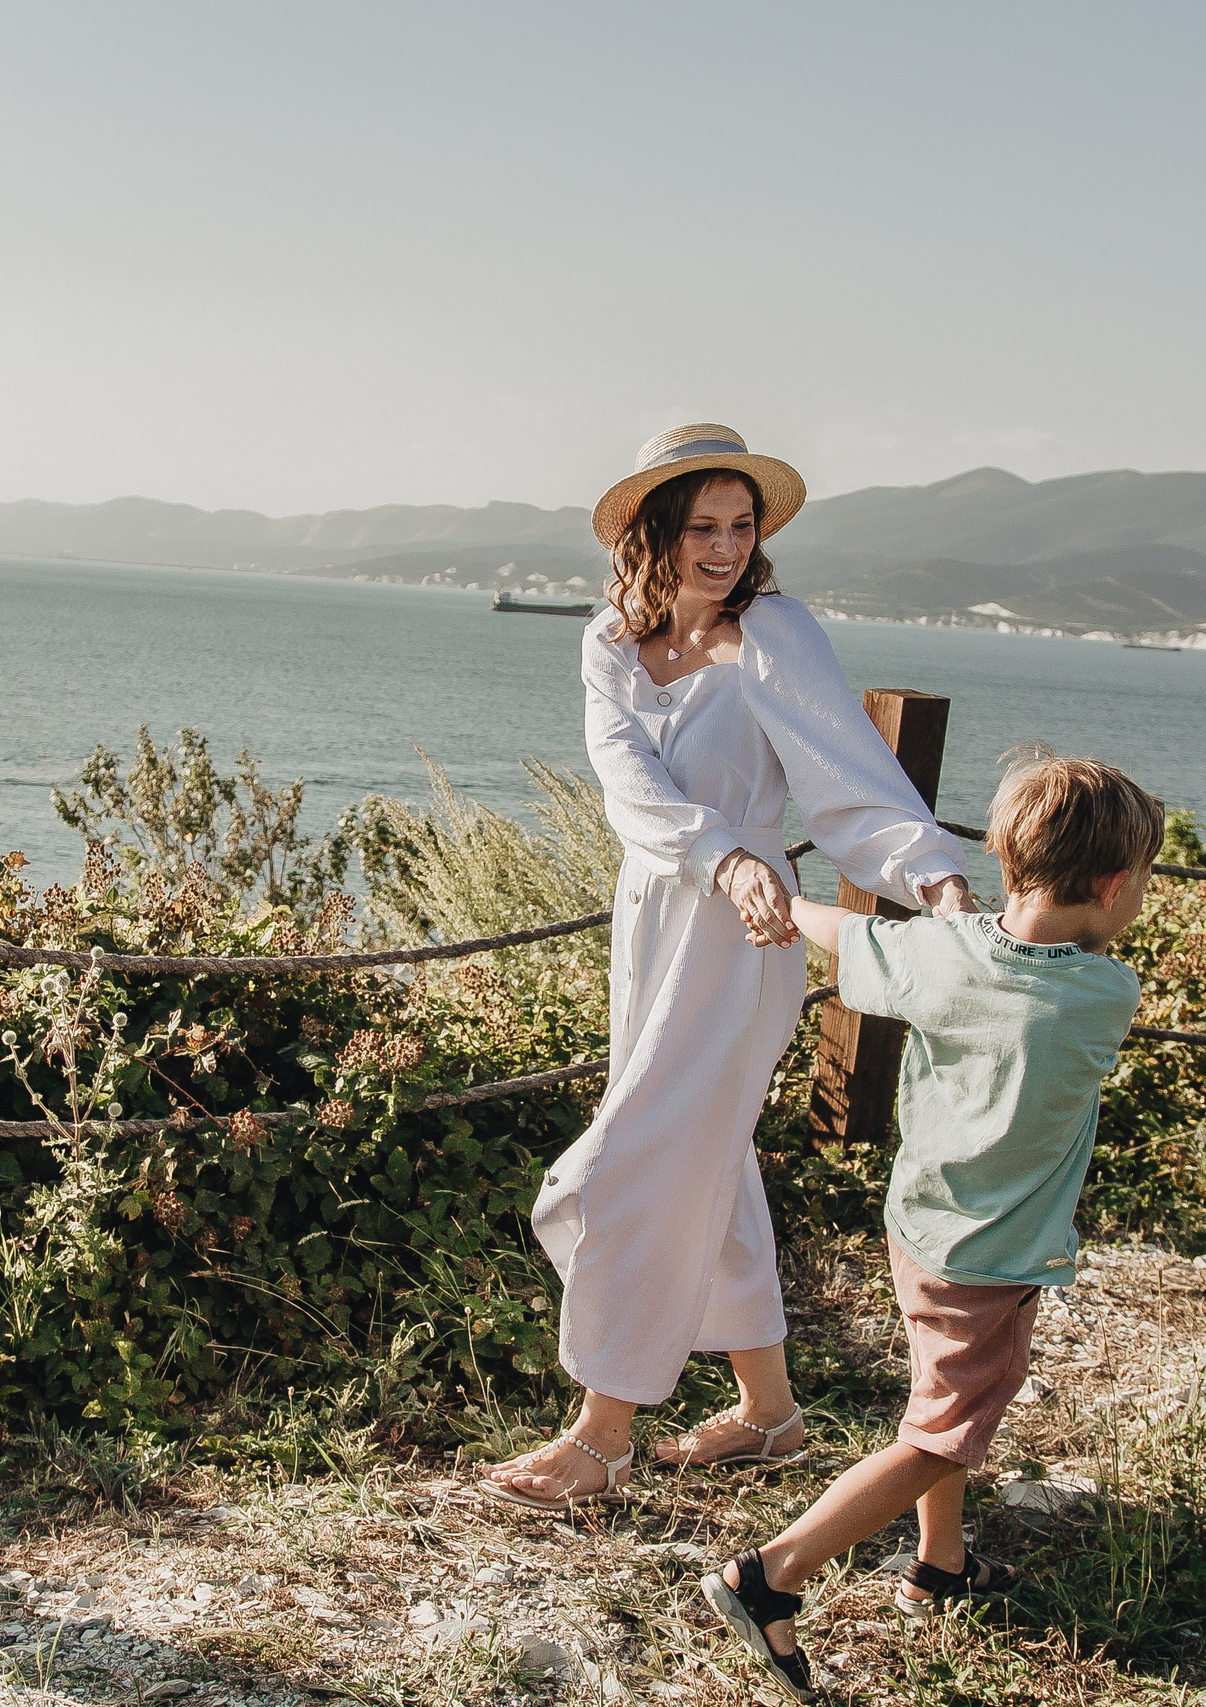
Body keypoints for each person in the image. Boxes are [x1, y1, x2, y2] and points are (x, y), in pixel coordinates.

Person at [482, 425, 973, 1512]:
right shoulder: (610, 639)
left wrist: (932, 879)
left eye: (740, 525)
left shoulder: (777, 633)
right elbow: (626, 786)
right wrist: (721, 857)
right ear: (654, 533)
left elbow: (852, 777)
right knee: (707, 1154)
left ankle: (600, 1435)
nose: (724, 547)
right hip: (654, 919)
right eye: (701, 525)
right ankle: (769, 1413)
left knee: (644, 1157)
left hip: (745, 945)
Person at [699, 751, 1162, 1697]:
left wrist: (778, 901)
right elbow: (1067, 960)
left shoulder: (935, 955)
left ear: (1002, 858)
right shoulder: (1105, 995)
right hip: (996, 1255)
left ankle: (940, 1558)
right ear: (1116, 887)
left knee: (935, 1401)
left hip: (921, 1227)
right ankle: (772, 1573)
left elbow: (845, 934)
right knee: (945, 1434)